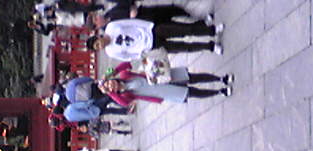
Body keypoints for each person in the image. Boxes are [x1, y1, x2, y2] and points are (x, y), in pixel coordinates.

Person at [99, 61, 233, 106]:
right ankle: (219, 92)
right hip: (161, 91)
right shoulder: (125, 95)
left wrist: (110, 73)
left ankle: (220, 79)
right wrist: (109, 94)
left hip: (161, 77)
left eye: (109, 83)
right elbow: (124, 104)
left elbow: (126, 64)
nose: (111, 85)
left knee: (192, 77)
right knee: (192, 92)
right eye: (109, 88)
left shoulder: (124, 75)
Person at [88, 18, 223, 60]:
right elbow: (127, 57)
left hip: (151, 32)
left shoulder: (111, 27)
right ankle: (210, 46)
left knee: (184, 31)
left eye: (98, 44)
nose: (100, 47)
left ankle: (211, 31)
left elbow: (131, 22)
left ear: (98, 37)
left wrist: (149, 26)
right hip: (151, 47)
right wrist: (142, 54)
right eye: (98, 48)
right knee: (184, 47)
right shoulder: (111, 52)